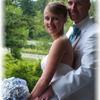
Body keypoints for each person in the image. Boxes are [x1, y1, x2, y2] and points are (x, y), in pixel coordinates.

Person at [38, 0, 98, 100]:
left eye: (78, 3)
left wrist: (54, 89)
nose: (72, 8)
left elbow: (88, 71)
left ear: (88, 6)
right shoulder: (71, 31)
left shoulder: (95, 32)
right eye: (70, 3)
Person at [28, 2, 74, 100]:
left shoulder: (60, 42)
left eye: (55, 18)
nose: (50, 23)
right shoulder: (61, 40)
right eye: (47, 18)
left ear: (65, 19)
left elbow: (45, 79)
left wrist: (29, 98)